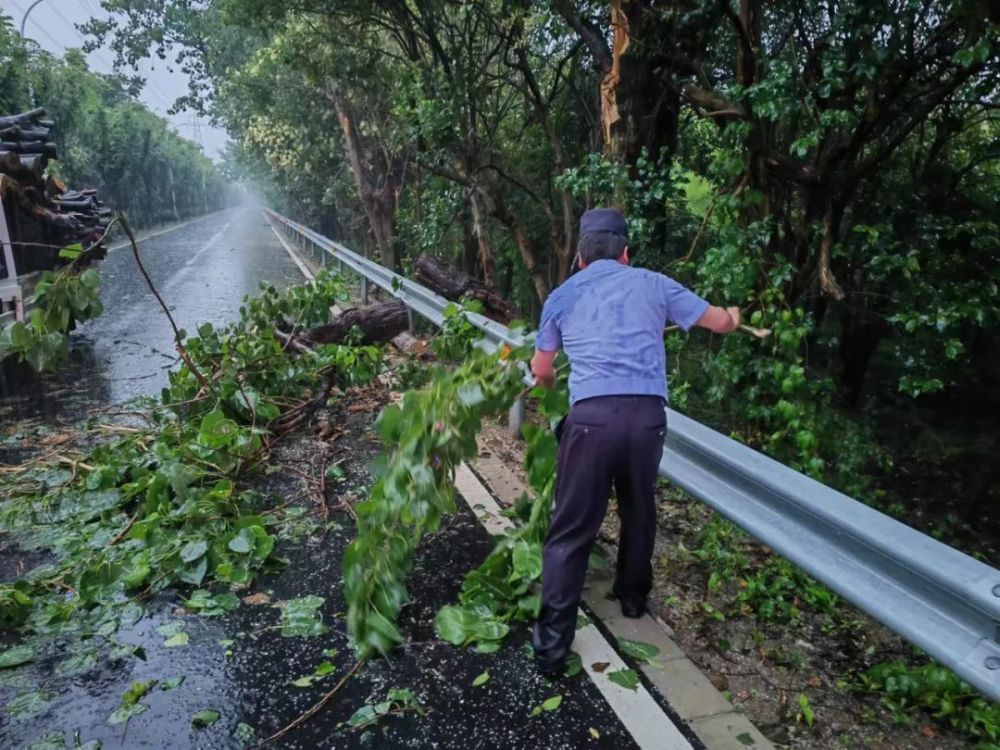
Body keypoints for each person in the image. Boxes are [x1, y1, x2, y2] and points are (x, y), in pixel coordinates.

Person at [530, 207, 740, 676]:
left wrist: (547, 387)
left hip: (590, 424)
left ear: (580, 258)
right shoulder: (655, 284)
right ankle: (631, 598)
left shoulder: (562, 296)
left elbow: (541, 370)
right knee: (638, 507)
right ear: (626, 252)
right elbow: (719, 323)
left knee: (571, 528)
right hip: (647, 419)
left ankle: (550, 650)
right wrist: (735, 315)